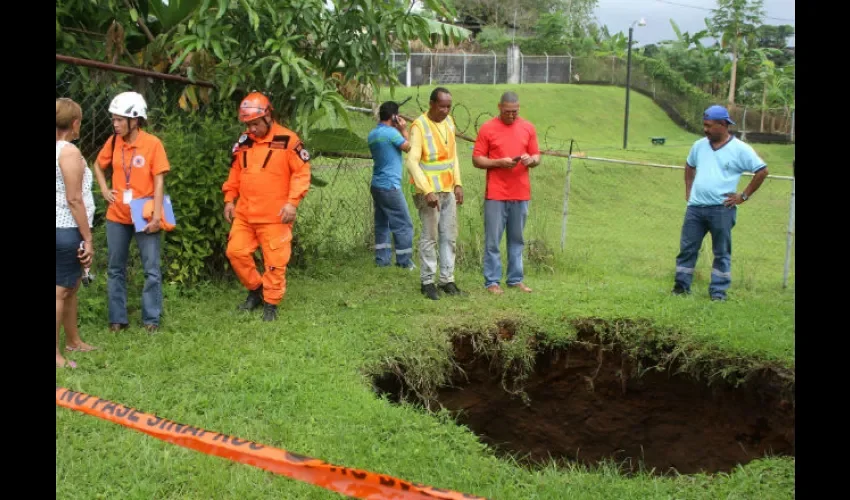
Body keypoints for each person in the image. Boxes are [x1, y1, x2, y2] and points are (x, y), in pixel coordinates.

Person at [222, 92, 312, 321]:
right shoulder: (244, 143)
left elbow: (301, 174)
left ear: (268, 116)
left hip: (275, 215)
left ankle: (271, 304)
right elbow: (235, 172)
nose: (251, 129)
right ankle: (256, 290)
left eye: (255, 124)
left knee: (274, 262)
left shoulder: (288, 140)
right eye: (248, 124)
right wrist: (229, 199)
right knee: (236, 252)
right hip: (245, 213)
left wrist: (292, 203)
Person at [671, 105, 769, 301]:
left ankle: (718, 293)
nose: (705, 129)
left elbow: (762, 171)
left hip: (722, 210)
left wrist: (743, 196)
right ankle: (681, 289)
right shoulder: (699, 145)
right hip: (695, 210)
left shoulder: (740, 149)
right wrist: (688, 191)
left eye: (709, 126)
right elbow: (690, 166)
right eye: (704, 125)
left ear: (723, 125)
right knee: (687, 249)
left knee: (721, 252)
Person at [93, 91, 170, 333]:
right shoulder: (113, 141)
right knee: (116, 268)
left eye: (119, 119)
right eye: (113, 119)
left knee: (151, 269)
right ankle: (118, 319)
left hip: (144, 213)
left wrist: (157, 215)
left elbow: (159, 181)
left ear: (135, 120)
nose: (114, 124)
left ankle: (151, 320)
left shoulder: (153, 144)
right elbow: (97, 164)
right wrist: (105, 188)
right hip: (116, 214)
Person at [472, 91, 541, 295]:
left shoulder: (528, 127)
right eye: (508, 111)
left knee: (517, 239)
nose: (512, 115)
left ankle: (515, 279)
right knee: (493, 240)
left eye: (515, 112)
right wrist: (498, 163)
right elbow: (477, 159)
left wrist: (532, 160)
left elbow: (537, 155)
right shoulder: (488, 128)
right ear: (499, 107)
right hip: (496, 193)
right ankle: (492, 281)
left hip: (520, 192)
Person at [406, 87, 464, 300]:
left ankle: (447, 279)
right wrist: (427, 190)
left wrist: (458, 183)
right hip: (429, 194)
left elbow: (453, 156)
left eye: (448, 106)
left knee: (449, 236)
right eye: (442, 106)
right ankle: (427, 281)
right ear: (431, 104)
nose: (446, 110)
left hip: (448, 190)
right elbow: (412, 162)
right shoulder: (419, 126)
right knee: (429, 237)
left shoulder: (449, 123)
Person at [56, 98, 98, 368]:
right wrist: (88, 238)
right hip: (66, 227)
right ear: (74, 123)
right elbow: (74, 199)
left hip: (61, 227)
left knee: (70, 288)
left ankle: (74, 341)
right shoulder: (68, 152)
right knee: (60, 291)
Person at [367, 101, 414, 269]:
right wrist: (403, 130)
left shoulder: (373, 134)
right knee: (404, 224)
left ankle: (382, 260)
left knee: (382, 223)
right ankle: (404, 261)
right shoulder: (392, 134)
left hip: (377, 184)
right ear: (394, 116)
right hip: (390, 186)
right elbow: (408, 148)